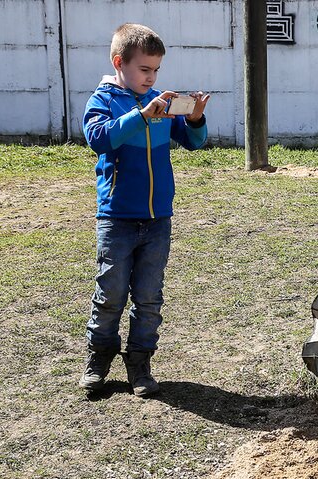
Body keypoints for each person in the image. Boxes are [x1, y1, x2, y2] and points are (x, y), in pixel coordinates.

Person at [78, 23, 210, 396]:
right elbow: (99, 138)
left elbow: (193, 142)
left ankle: (140, 365)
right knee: (110, 295)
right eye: (144, 70)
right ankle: (99, 358)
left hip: (157, 220)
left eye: (155, 71)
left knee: (149, 298)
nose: (151, 78)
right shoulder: (102, 101)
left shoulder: (162, 103)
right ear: (120, 63)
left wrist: (195, 117)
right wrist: (141, 115)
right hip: (116, 219)